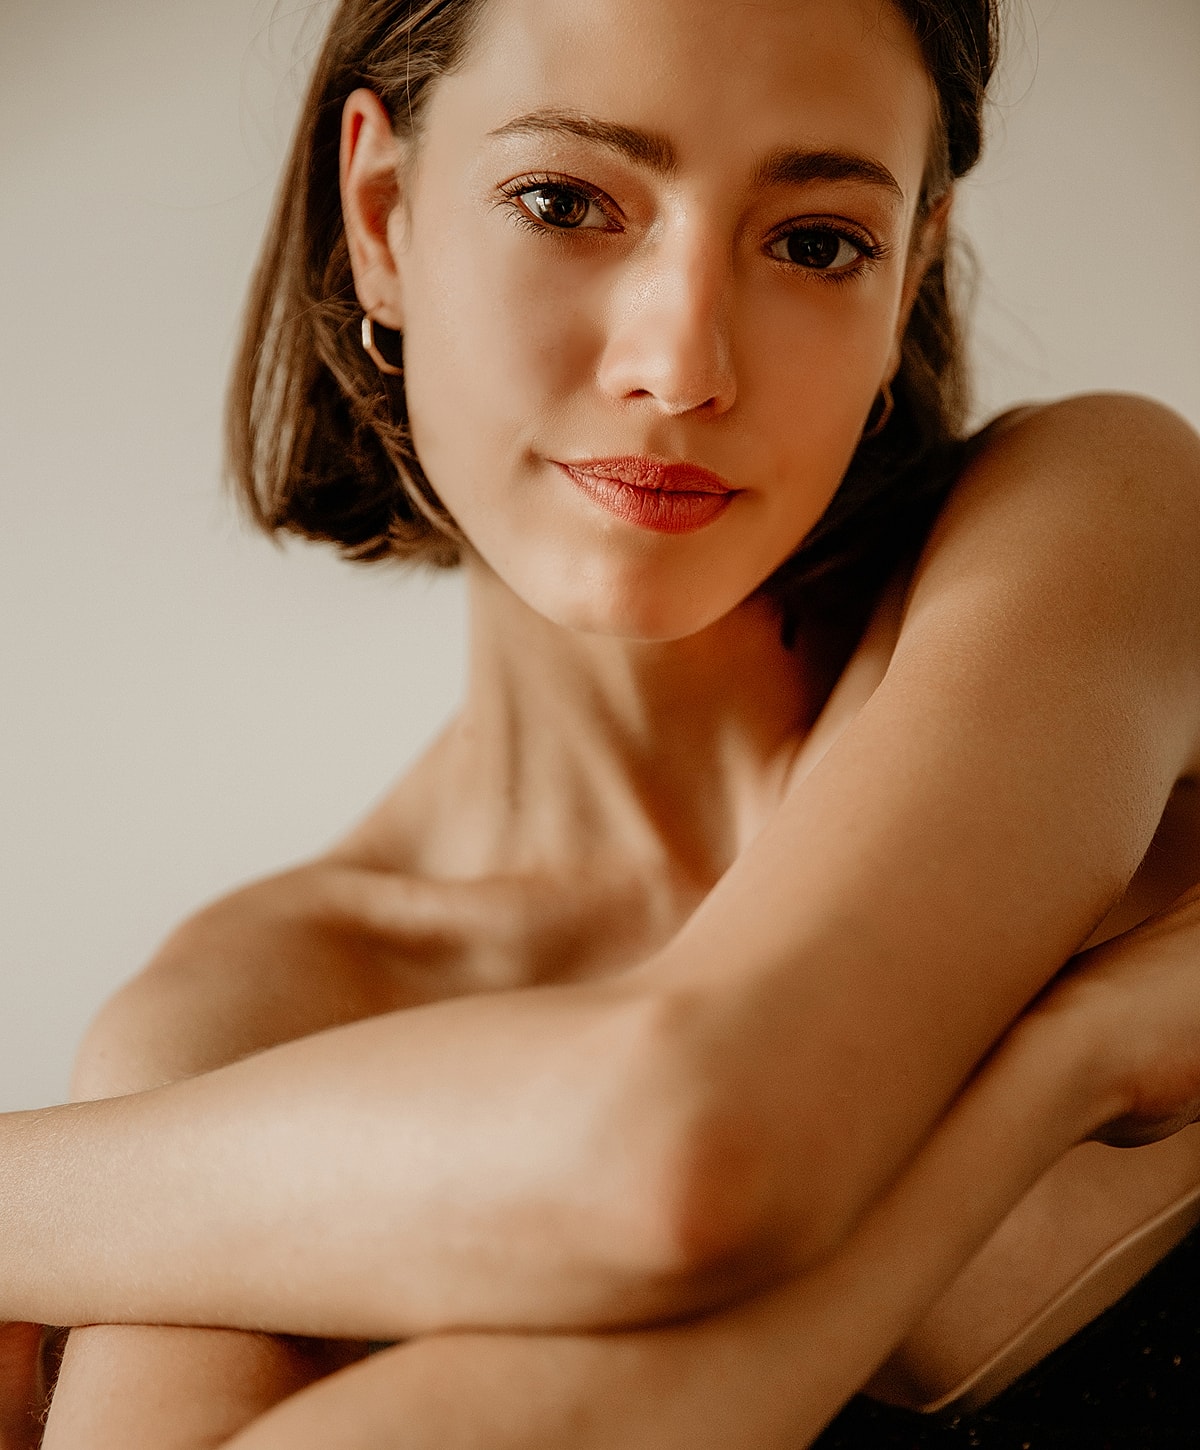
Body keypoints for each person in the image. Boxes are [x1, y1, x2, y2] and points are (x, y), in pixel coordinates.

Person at [2, 0, 1200, 1444]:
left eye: (817, 239)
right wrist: (1062, 1072)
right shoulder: (253, 1010)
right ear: (382, 217)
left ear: (910, 276)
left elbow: (692, 1152)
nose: (682, 360)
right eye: (565, 201)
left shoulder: (1101, 525)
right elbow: (692, 1163)